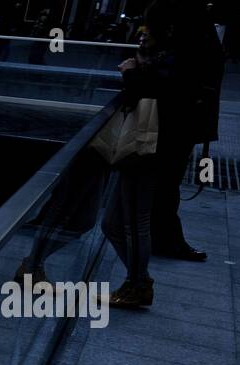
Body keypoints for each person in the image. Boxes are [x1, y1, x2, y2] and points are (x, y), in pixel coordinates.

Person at [102, 7, 183, 309]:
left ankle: (137, 283)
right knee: (112, 223)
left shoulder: (171, 59)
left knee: (134, 220)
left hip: (148, 148)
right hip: (141, 146)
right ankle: (139, 279)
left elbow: (152, 91)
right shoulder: (159, 57)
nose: (141, 32)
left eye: (148, 27)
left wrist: (131, 72)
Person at [150, 0, 225, 261]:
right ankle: (164, 239)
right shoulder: (187, 15)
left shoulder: (178, 13)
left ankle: (162, 237)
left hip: (177, 111)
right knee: (166, 181)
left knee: (163, 181)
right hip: (179, 112)